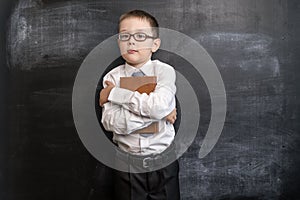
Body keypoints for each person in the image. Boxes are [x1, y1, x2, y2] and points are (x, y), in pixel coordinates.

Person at [99, 10, 180, 200]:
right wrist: (159, 113)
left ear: (155, 44)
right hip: (126, 166)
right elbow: (112, 123)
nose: (131, 42)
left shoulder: (164, 72)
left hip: (164, 163)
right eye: (124, 36)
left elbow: (159, 106)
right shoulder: (112, 78)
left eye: (140, 36)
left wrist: (115, 94)